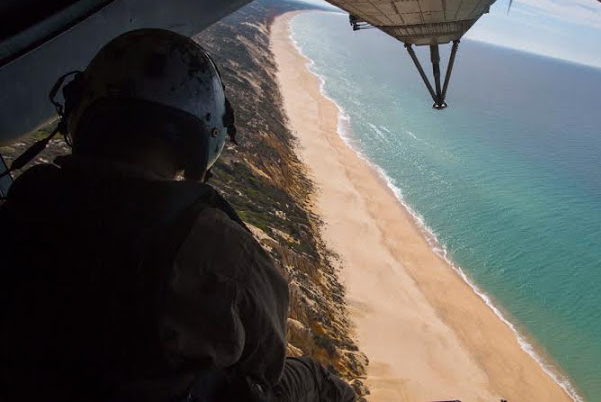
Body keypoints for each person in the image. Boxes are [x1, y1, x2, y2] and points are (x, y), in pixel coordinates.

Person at [0, 29, 356, 402]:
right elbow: (266, 365)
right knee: (319, 380)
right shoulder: (213, 242)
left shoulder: (31, 196)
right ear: (203, 139)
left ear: (79, 109)